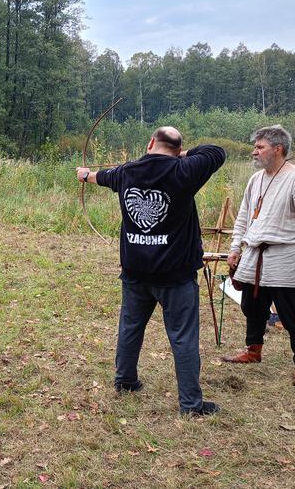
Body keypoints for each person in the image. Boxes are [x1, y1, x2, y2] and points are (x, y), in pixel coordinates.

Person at [77, 127, 225, 416]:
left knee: (130, 327)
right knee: (182, 337)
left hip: (137, 271)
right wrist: (183, 154)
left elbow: (100, 176)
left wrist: (83, 174)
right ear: (177, 148)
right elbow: (216, 152)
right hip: (174, 275)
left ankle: (125, 381)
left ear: (150, 143)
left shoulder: (127, 172)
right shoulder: (185, 170)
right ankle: (190, 406)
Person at [224, 125, 295, 387]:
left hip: (287, 257)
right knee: (252, 306)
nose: (254, 152)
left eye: (260, 147)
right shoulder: (255, 180)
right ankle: (253, 350)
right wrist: (236, 247)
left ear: (278, 149)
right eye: (255, 146)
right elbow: (245, 216)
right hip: (255, 256)